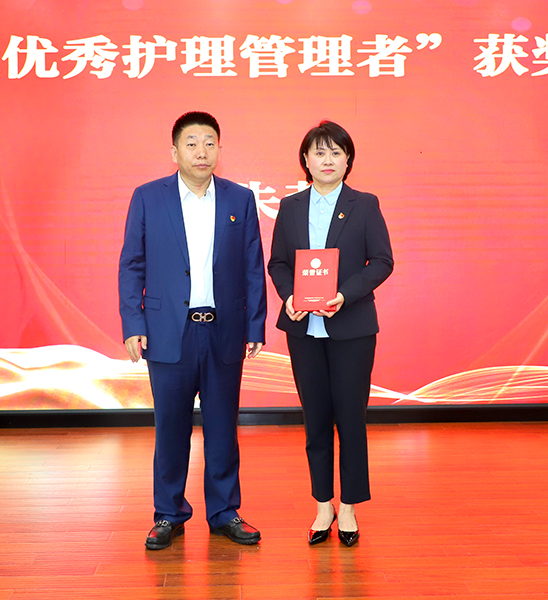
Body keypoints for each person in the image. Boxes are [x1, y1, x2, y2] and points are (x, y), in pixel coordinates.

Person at [118, 111, 267, 550]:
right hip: (168, 331)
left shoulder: (240, 199)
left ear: (219, 149)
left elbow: (252, 266)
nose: (202, 151)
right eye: (192, 143)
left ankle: (224, 512)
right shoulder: (148, 197)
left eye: (209, 143)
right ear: (175, 151)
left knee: (222, 428)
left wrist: (255, 323)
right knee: (171, 428)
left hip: (223, 329)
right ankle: (168, 514)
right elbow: (132, 265)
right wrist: (133, 323)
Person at [267, 120, 393, 546]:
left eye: (336, 152)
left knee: (351, 421)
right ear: (305, 160)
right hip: (303, 331)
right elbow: (278, 263)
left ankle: (350, 508)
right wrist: (288, 295)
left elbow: (381, 261)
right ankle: (324, 506)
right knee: (315, 421)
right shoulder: (290, 207)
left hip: (352, 330)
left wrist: (344, 295)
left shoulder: (365, 204)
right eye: (319, 152)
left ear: (348, 160)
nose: (327, 160)